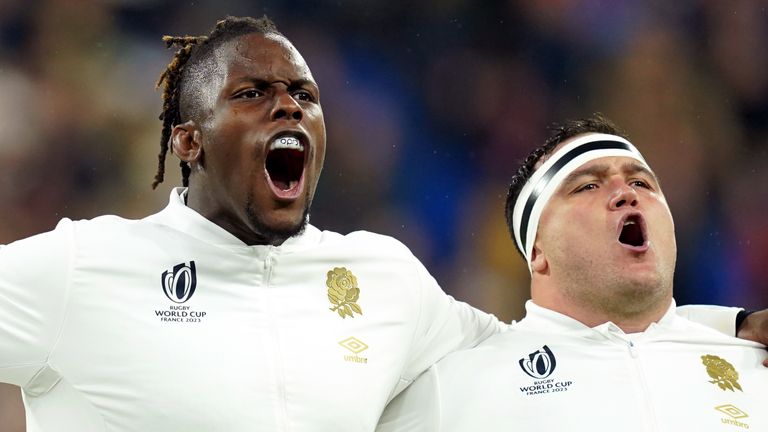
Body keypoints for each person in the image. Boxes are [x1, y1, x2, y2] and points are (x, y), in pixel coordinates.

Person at [0, 17, 761, 431]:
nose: (288, 107)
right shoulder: (86, 266)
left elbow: (563, 335)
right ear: (188, 142)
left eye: (304, 96)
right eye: (254, 94)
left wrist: (730, 328)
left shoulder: (383, 278)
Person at [376, 114, 768, 432]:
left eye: (641, 182)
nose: (627, 194)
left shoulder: (754, 360)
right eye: (587, 186)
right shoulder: (458, 385)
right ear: (537, 251)